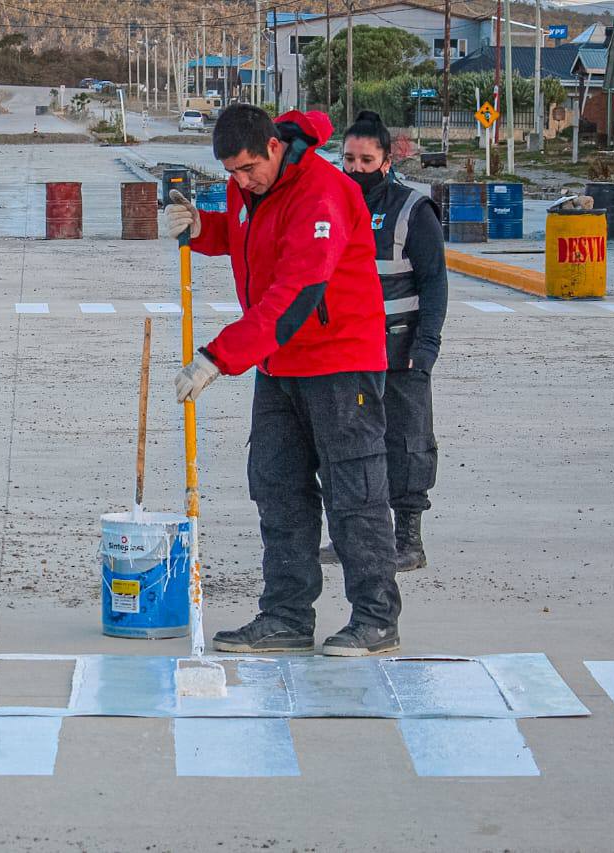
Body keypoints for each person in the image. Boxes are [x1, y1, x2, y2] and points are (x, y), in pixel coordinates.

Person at [166, 104, 402, 656]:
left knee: (355, 493)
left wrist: (218, 357)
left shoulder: (322, 191)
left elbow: (296, 293)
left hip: (341, 363)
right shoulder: (247, 188)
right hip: (279, 365)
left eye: (247, 168)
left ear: (274, 146)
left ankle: (375, 617)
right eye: (230, 173)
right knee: (277, 488)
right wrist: (206, 228)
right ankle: (287, 615)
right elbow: (254, 239)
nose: (240, 181)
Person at [326, 110, 446, 572]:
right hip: (346, 354)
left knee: (408, 445)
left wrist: (426, 348)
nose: (355, 168)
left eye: (365, 159)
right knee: (351, 450)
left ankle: (408, 542)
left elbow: (435, 283)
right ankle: (354, 539)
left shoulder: (412, 211)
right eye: (348, 158)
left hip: (401, 354)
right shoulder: (331, 206)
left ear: (387, 159)